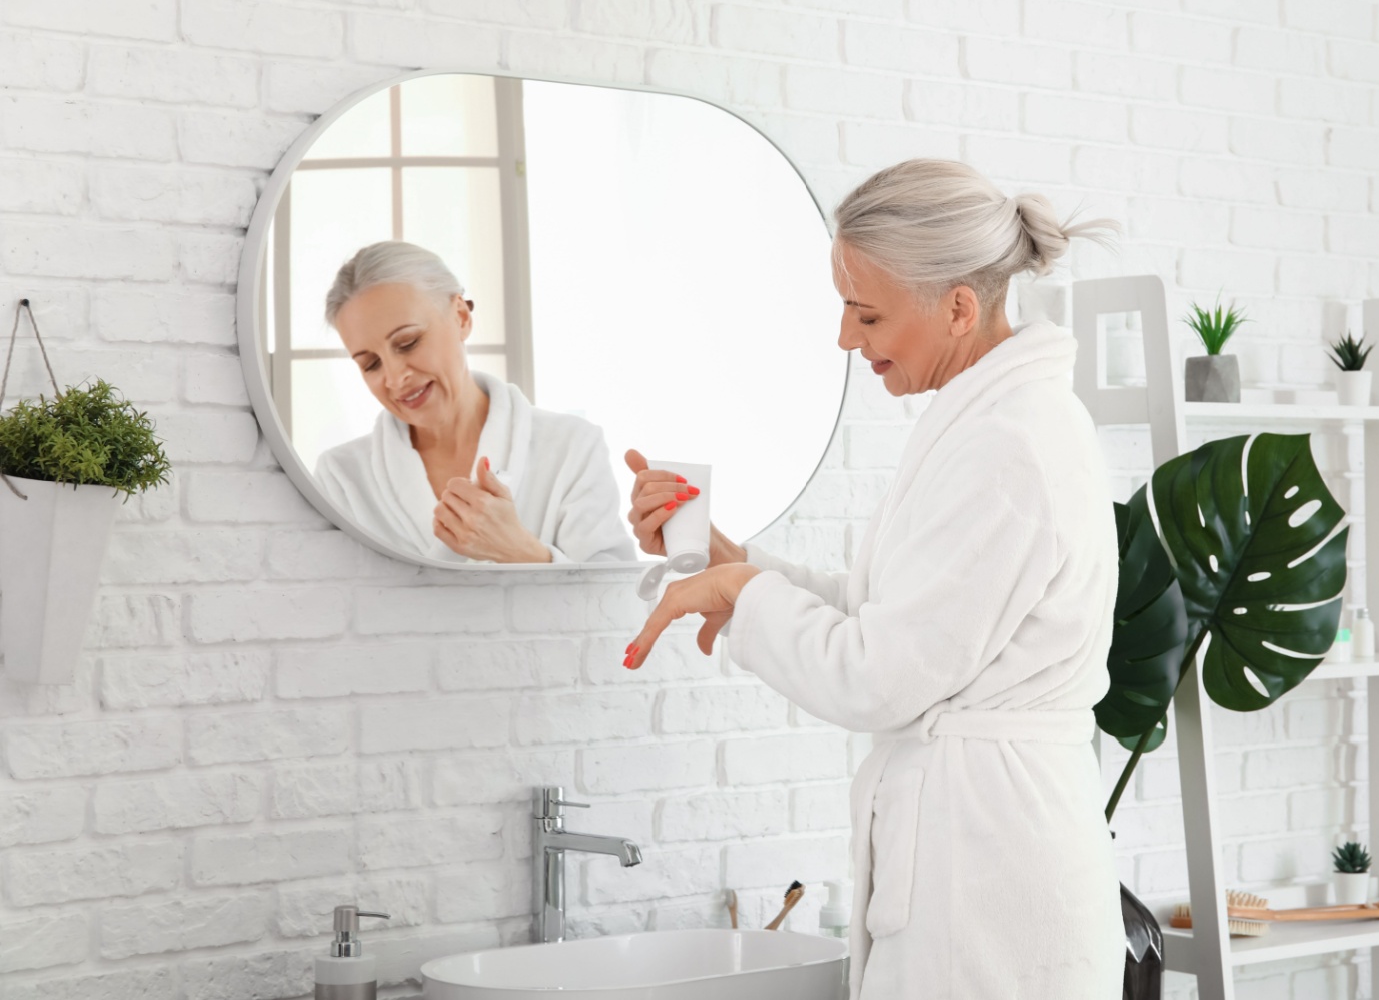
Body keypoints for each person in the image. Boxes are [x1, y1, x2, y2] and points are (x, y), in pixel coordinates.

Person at [622, 159, 1123, 999]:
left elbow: (880, 676)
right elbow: (883, 623)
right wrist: (725, 562)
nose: (847, 340)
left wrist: (741, 596)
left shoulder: (1010, 446)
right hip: (979, 863)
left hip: (991, 886)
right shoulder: (984, 424)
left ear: (958, 306)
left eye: (867, 313)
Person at [315, 240, 634, 565]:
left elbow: (614, 600)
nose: (395, 379)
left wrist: (523, 553)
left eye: (408, 343)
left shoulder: (572, 447)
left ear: (461, 317)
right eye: (370, 364)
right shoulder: (342, 477)